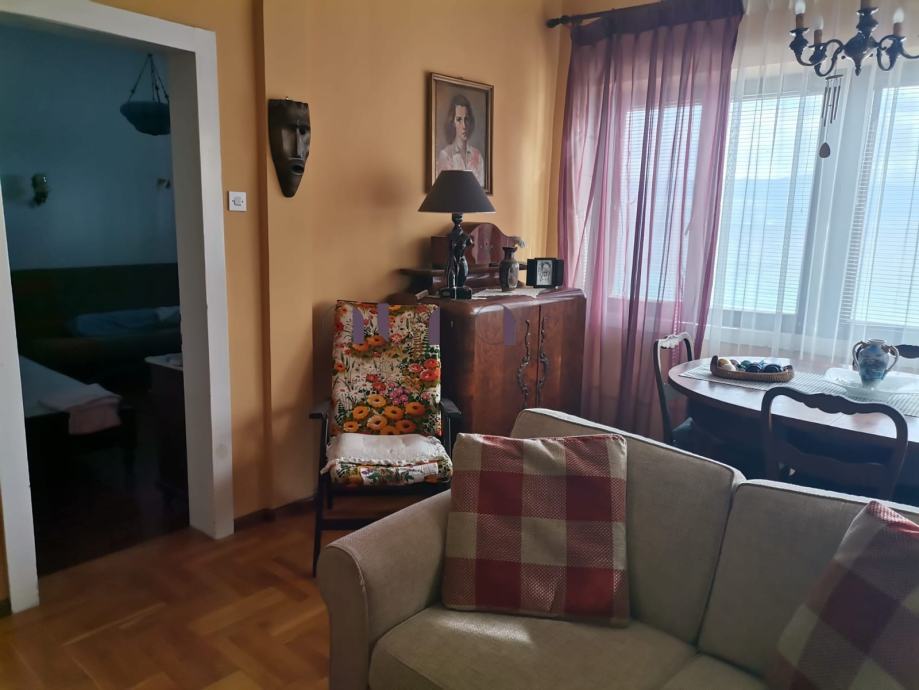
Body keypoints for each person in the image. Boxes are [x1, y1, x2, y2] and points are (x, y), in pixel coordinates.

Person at [436, 93, 485, 187]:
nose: (464, 125)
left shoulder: (478, 156)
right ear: (453, 122)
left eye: (466, 119)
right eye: (459, 119)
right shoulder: (445, 155)